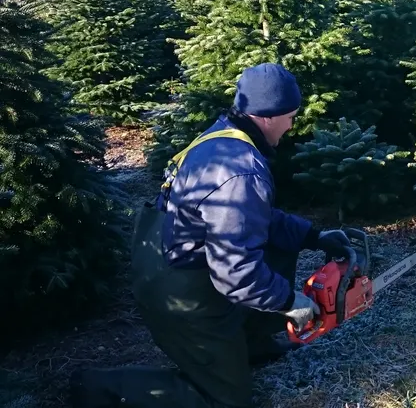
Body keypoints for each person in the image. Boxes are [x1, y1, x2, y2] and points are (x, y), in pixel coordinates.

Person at [69, 63, 352, 408]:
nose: (292, 125)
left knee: (280, 244)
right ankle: (99, 386)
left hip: (181, 259)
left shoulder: (226, 134)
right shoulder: (241, 168)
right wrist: (291, 303)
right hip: (178, 290)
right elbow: (236, 272)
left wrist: (313, 236)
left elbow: (251, 218)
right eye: (290, 116)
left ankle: (251, 345)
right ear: (268, 116)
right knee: (225, 401)